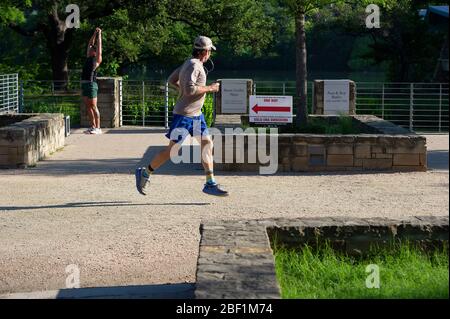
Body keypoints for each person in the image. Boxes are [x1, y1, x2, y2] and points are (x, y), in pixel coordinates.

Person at [135, 36, 228, 197]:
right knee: (171, 151)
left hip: (196, 115)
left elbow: (172, 79)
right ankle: (145, 173)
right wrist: (211, 88)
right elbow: (191, 90)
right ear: (205, 51)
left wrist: (183, 91)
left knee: (207, 143)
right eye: (210, 52)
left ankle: (210, 183)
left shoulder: (189, 62)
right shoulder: (194, 65)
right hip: (184, 116)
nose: (210, 55)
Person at [81, 27, 102, 134]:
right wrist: (94, 34)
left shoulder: (97, 60)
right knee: (88, 106)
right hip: (84, 84)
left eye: (91, 49)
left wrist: (100, 35)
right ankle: (93, 126)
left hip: (91, 84)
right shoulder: (88, 58)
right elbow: (90, 43)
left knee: (93, 106)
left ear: (94, 52)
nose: (89, 50)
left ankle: (98, 128)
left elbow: (99, 49)